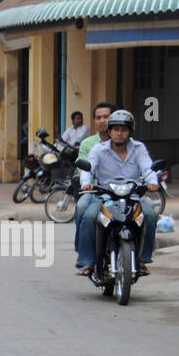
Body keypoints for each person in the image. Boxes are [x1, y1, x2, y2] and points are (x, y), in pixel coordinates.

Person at [75, 109, 159, 276]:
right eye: (116, 129)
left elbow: (148, 169)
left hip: (133, 196)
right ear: (110, 131)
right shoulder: (99, 149)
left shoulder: (138, 148)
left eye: (124, 130)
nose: (119, 134)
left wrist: (153, 182)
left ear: (129, 132)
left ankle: (143, 260)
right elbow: (88, 169)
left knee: (150, 214)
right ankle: (87, 261)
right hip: (106, 197)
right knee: (90, 217)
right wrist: (86, 184)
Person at [73, 102, 116, 251]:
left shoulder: (127, 142)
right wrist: (87, 184)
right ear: (94, 121)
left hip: (123, 191)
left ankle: (140, 258)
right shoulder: (88, 144)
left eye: (106, 117)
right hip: (97, 191)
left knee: (147, 212)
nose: (103, 120)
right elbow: (84, 169)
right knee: (82, 207)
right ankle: (84, 254)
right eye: (99, 118)